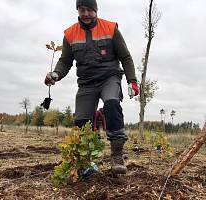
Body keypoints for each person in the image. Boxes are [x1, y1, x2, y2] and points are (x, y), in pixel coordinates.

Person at [44, 0, 139, 174]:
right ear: (78, 10)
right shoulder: (70, 34)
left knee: (111, 104)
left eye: (89, 10)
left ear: (95, 10)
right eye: (82, 10)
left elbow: (125, 56)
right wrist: (55, 75)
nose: (86, 14)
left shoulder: (110, 29)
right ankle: (85, 161)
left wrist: (132, 81)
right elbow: (65, 61)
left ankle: (117, 156)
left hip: (109, 77)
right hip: (86, 83)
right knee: (81, 122)